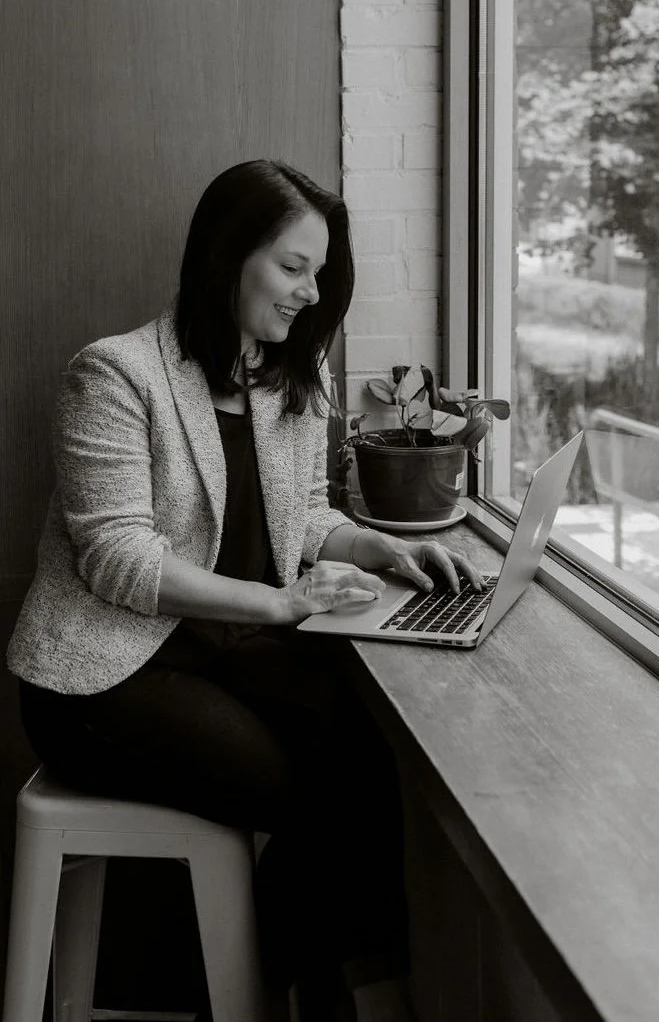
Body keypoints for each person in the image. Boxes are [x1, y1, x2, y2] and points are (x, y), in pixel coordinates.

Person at [7, 160, 483, 1022]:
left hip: (218, 652)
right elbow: (118, 559)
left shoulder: (291, 376)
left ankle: (326, 995)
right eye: (292, 267)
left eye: (320, 272)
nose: (310, 292)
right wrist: (278, 604)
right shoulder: (113, 375)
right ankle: (313, 1000)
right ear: (228, 255)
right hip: (101, 679)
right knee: (321, 788)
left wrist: (374, 544)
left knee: (372, 748)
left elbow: (302, 515)